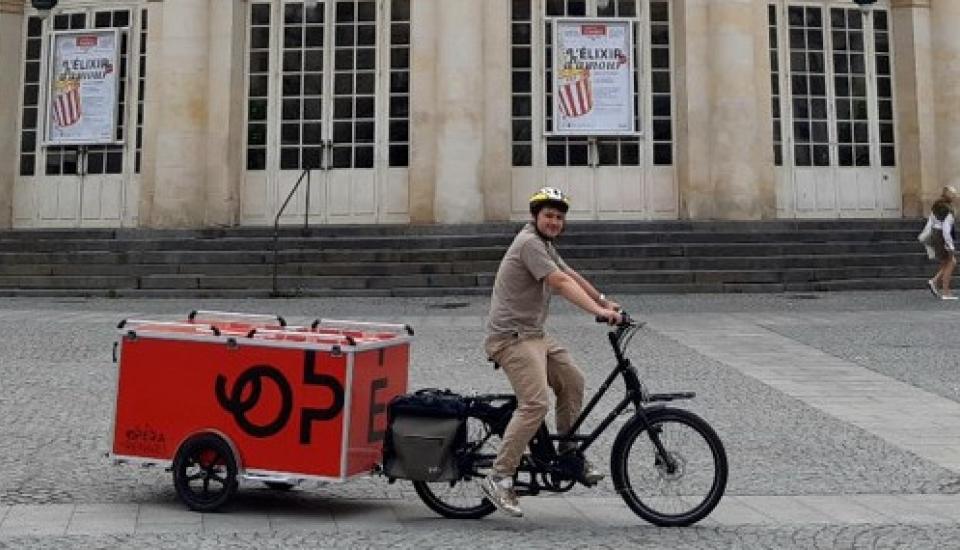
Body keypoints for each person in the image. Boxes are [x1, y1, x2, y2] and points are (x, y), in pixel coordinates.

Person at [479, 186, 622, 517]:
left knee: (572, 380)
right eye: (549, 216)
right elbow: (558, 283)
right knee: (535, 403)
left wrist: (603, 301)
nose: (555, 221)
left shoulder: (543, 244)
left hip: (533, 334)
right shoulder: (529, 242)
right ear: (535, 217)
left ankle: (569, 453)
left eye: (559, 217)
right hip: (510, 338)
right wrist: (597, 313)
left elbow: (568, 274)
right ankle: (499, 477)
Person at [922, 185, 958, 300]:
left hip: (935, 235)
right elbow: (946, 230)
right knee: (952, 262)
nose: (956, 196)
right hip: (942, 237)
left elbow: (930, 221)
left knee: (946, 263)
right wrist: (950, 245)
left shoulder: (936, 205)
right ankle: (941, 288)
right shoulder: (949, 210)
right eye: (954, 194)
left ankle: (942, 288)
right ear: (950, 196)